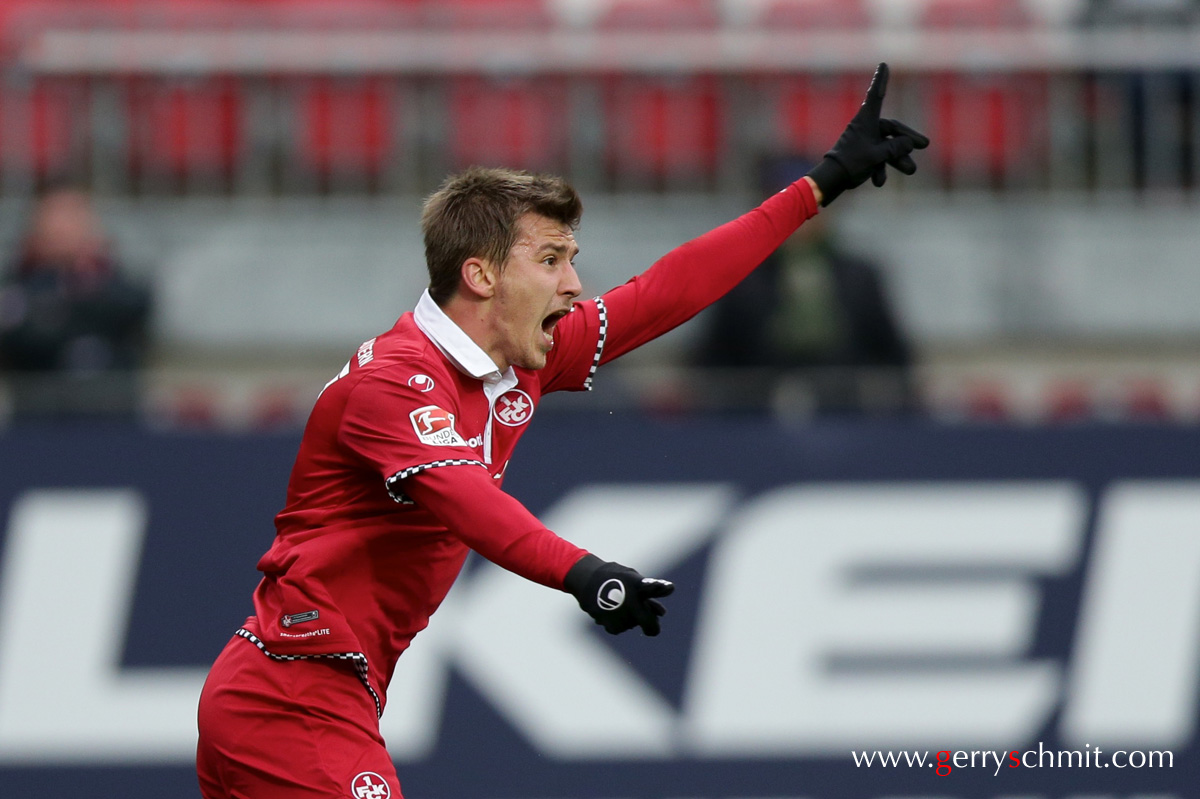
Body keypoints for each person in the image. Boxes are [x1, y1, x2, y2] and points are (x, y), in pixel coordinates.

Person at [196, 63, 928, 799]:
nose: (574, 284)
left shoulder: (519, 361)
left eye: (570, 261)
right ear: (481, 277)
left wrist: (819, 185)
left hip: (311, 690)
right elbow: (470, 504)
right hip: (293, 697)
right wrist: (585, 573)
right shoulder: (397, 379)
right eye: (550, 261)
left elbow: (666, 291)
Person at [694, 154, 916, 415]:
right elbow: (713, 361)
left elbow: (894, 357)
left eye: (813, 205)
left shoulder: (860, 276)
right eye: (786, 206)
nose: (802, 219)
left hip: (848, 414)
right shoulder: (742, 279)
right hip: (758, 419)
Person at [0, 184, 152, 418]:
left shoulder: (116, 281)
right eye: (55, 216)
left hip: (113, 421)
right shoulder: (19, 284)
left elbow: (132, 312)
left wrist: (81, 289)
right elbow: (25, 338)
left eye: (73, 215)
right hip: (37, 424)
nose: (63, 227)